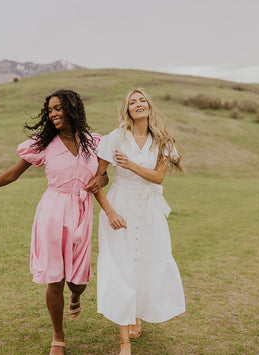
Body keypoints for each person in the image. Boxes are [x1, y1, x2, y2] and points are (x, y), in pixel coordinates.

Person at [0, 89, 107, 355]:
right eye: (50, 110)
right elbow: (13, 174)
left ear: (72, 108)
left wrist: (101, 180)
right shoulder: (43, 145)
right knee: (54, 278)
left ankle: (76, 296)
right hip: (53, 212)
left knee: (78, 281)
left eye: (58, 108)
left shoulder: (93, 142)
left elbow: (103, 176)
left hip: (81, 211)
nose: (53, 114)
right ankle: (58, 336)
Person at [92, 88, 186, 355]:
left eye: (142, 100)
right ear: (127, 110)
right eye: (132, 102)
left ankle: (136, 313)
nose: (138, 104)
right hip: (120, 207)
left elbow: (158, 178)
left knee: (148, 264)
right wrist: (110, 212)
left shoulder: (163, 141)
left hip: (149, 210)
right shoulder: (114, 139)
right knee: (120, 268)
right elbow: (98, 181)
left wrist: (131, 164)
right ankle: (124, 341)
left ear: (149, 106)